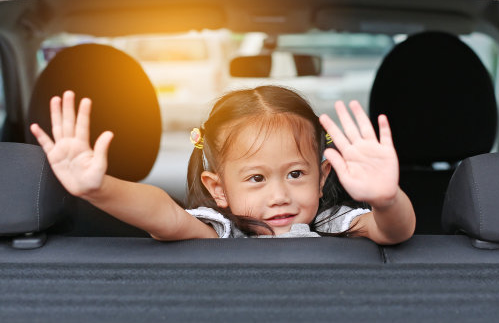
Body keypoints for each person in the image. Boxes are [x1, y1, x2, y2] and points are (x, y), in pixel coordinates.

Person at [30, 86, 415, 244]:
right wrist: (100, 189)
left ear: (322, 178)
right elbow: (164, 216)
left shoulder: (333, 225)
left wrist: (386, 199)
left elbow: (393, 232)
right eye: (256, 178)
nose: (280, 195)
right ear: (218, 189)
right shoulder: (223, 232)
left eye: (296, 174)